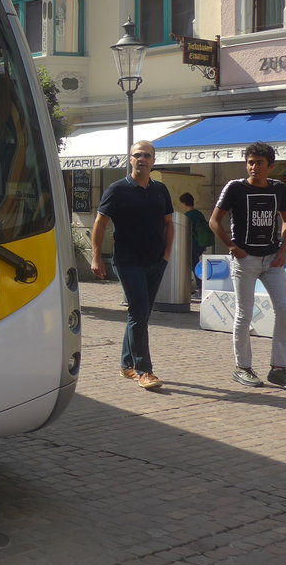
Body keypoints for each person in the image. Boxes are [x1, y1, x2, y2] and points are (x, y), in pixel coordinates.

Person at [208, 142, 286, 391]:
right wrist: (233, 248)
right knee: (244, 314)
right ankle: (242, 367)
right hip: (246, 260)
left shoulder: (278, 188)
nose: (254, 167)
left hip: (272, 260)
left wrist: (282, 249)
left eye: (259, 162)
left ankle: (279, 369)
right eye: (250, 162)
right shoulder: (235, 187)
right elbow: (214, 221)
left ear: (271, 166)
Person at [90, 140, 173, 391]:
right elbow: (100, 224)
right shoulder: (117, 189)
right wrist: (95, 256)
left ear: (154, 161)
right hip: (127, 261)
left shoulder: (160, 190)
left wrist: (167, 255)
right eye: (137, 155)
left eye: (147, 155)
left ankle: (126, 365)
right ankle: (144, 370)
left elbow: (169, 223)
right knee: (139, 313)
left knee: (140, 315)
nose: (142, 159)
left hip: (156, 261)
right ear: (130, 159)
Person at [180, 192, 213, 294]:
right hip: (200, 244)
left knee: (193, 266)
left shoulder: (187, 216)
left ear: (184, 203)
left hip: (191, 245)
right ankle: (195, 288)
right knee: (193, 266)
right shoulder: (199, 214)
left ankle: (199, 288)